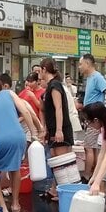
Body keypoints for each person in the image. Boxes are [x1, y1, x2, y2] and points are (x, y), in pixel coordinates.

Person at [0, 76, 37, 212]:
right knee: (14, 168)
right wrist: (34, 132)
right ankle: (16, 204)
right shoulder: (9, 93)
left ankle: (3, 209)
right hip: (19, 137)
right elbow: (25, 111)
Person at [39, 58, 74, 199]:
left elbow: (59, 108)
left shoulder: (55, 86)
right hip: (54, 129)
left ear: (44, 70)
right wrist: (46, 129)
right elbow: (49, 111)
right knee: (55, 161)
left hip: (61, 129)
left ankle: (65, 192)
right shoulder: (50, 87)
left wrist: (59, 130)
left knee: (62, 162)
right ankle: (55, 190)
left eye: (39, 70)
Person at [79, 54, 106, 182]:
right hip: (90, 115)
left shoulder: (97, 77)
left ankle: (86, 175)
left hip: (94, 117)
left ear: (87, 63)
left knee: (89, 146)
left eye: (80, 64)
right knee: (94, 147)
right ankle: (94, 173)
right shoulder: (90, 78)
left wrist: (101, 109)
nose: (80, 67)